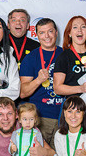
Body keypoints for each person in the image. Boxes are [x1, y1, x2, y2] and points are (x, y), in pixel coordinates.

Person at [19, 18, 64, 147]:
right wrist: (38, 80)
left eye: (50, 31)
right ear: (37, 35)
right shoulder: (30, 58)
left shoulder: (66, 54)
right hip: (40, 118)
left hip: (64, 117)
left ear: (56, 32)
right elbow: (23, 93)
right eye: (42, 33)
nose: (47, 36)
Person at [53, 16, 86, 97]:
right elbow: (57, 88)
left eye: (83, 27)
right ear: (69, 33)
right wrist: (80, 89)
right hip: (74, 104)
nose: (79, 30)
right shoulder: (63, 57)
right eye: (75, 27)